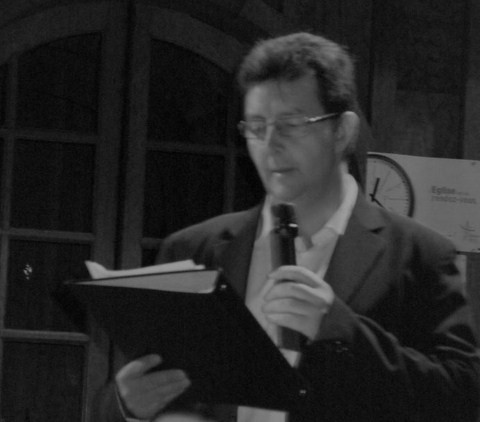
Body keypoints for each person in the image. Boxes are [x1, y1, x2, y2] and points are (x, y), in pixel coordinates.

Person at [99, 32, 480, 422]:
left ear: (342, 131)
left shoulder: (419, 254)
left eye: (291, 124)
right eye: (256, 127)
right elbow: (152, 388)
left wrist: (340, 329)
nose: (270, 144)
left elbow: (462, 398)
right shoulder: (193, 250)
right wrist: (127, 406)